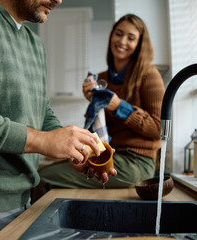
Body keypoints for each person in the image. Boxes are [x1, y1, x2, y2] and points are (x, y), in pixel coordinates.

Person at [0, 0, 117, 239]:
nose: (59, 0)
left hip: (24, 202)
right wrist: (44, 141)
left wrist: (72, 148)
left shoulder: (35, 44)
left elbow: (41, 111)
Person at [33, 13, 165, 199]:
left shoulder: (149, 74)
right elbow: (101, 126)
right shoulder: (102, 78)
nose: (122, 41)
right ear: (111, 36)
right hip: (111, 155)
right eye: (118, 33)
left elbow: (160, 128)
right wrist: (94, 102)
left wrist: (119, 106)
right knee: (43, 175)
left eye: (131, 37)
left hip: (137, 163)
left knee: (43, 177)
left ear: (139, 45)